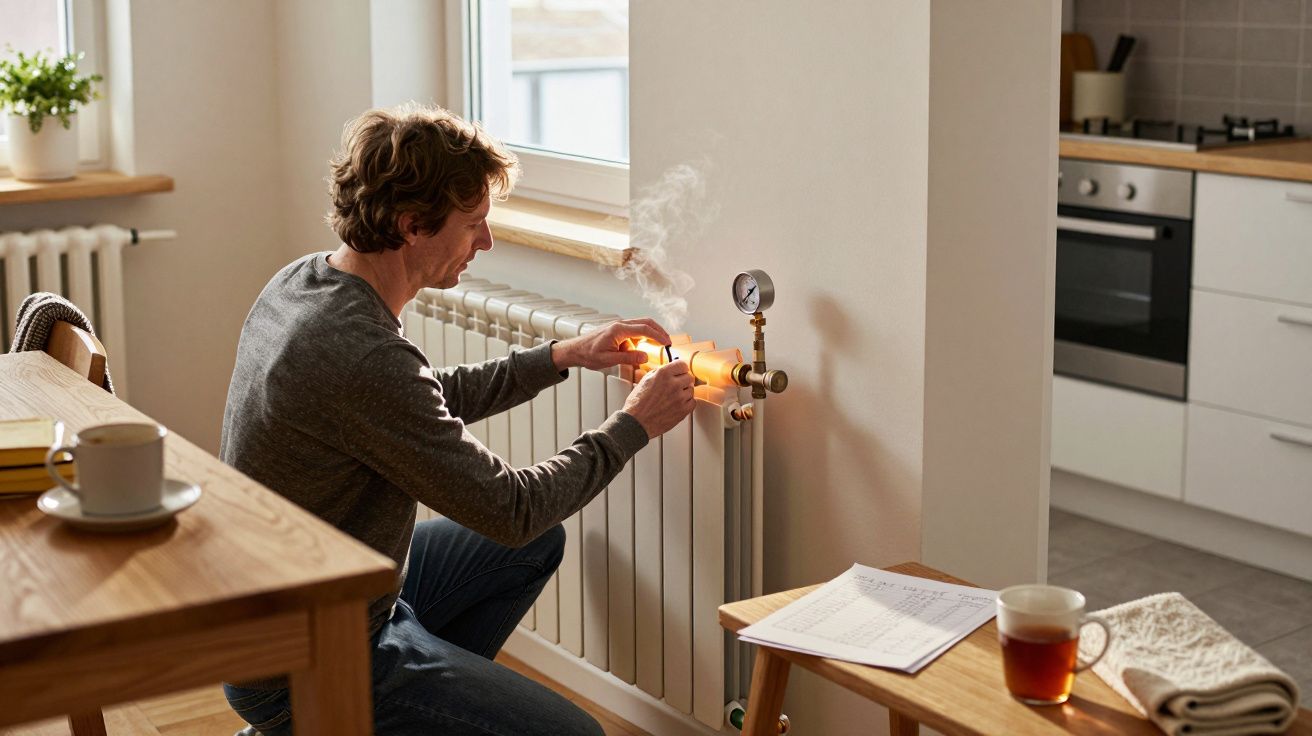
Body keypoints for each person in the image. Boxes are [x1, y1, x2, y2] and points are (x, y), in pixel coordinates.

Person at [219, 103, 695, 736]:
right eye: (474, 224)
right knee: (576, 734)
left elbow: (414, 400)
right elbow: (510, 507)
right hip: (306, 662)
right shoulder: (362, 352)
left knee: (529, 549)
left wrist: (563, 354)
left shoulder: (304, 281)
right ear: (413, 225)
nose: (487, 242)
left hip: (314, 607)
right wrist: (634, 424)